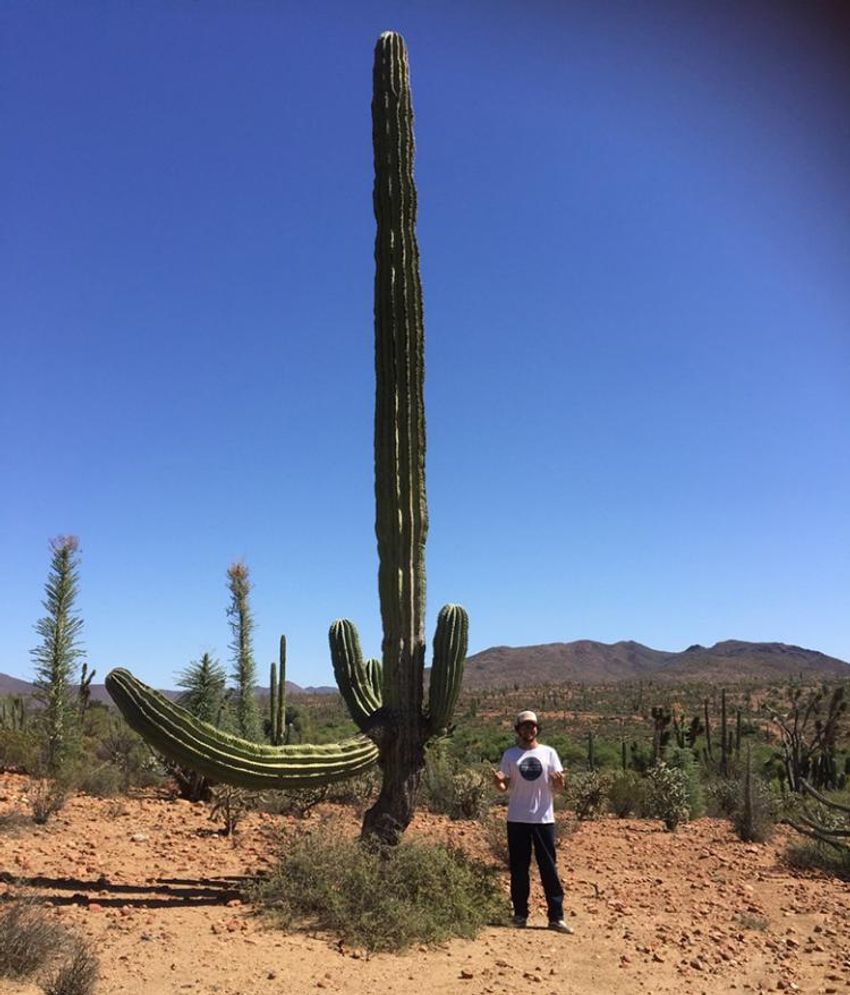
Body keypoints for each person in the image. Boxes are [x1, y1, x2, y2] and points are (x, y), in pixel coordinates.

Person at [493, 710, 573, 933]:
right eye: (525, 726)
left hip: (543, 819)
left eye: (533, 726)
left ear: (537, 729)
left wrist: (560, 783)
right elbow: (504, 787)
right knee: (519, 868)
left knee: (548, 867)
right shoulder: (510, 755)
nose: (530, 729)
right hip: (517, 818)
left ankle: (556, 917)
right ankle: (520, 914)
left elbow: (558, 787)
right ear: (518, 730)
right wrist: (497, 782)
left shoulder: (549, 753)